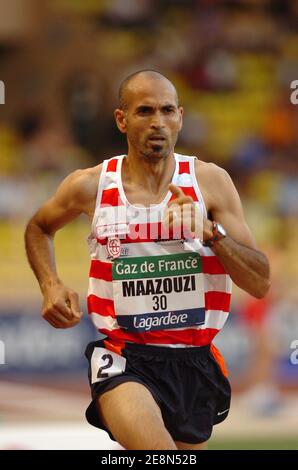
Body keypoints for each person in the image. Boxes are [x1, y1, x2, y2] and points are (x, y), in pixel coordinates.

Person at [25, 70, 270, 450]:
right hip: (124, 357)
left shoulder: (210, 183)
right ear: (122, 119)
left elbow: (259, 281)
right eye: (144, 111)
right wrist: (50, 283)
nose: (158, 122)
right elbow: (39, 227)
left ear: (180, 118)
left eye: (167, 110)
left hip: (195, 359)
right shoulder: (91, 185)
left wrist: (212, 234)